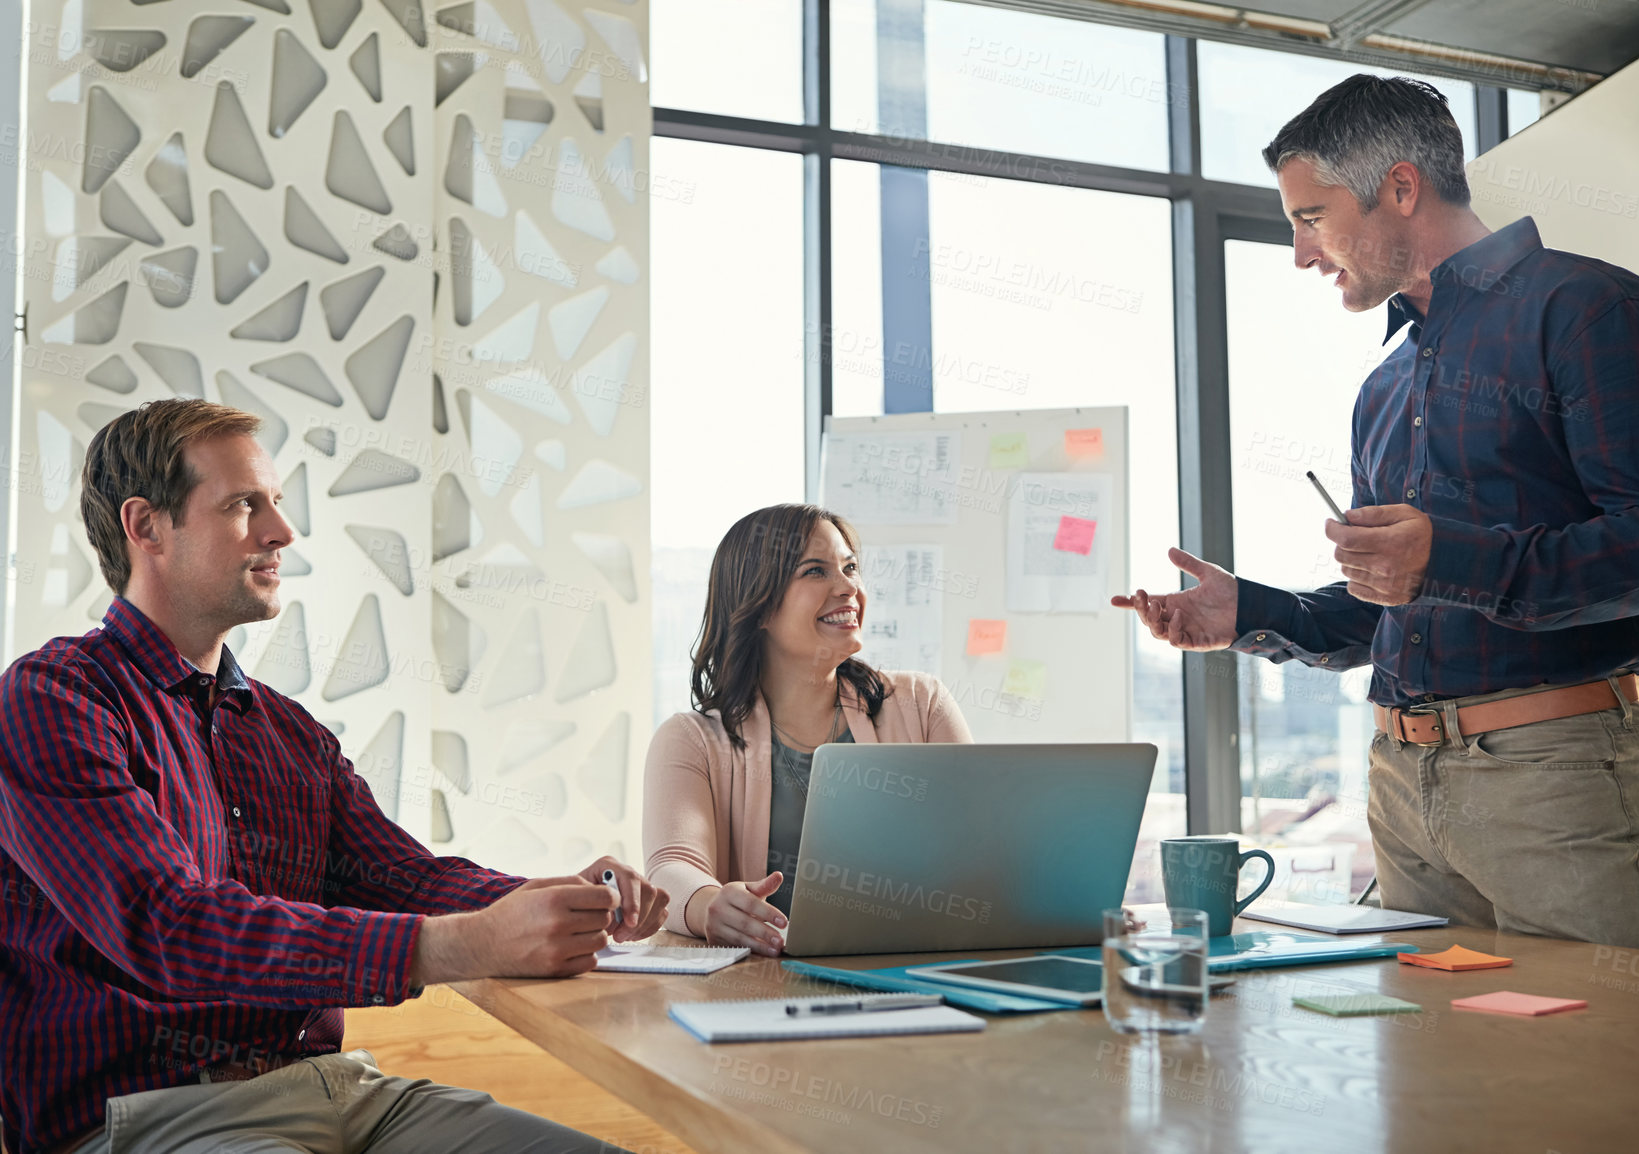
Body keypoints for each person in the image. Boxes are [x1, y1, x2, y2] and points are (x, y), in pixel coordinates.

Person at [1116, 75, 1639, 952]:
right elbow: (1388, 611)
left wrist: (1450, 559)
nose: (1299, 252)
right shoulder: (1385, 386)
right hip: (1399, 785)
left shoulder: (1591, 312)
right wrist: (1249, 613)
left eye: (1309, 216)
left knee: (1593, 1078)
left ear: (1400, 188)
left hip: (1550, 775)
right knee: (1434, 1085)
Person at [0, 399, 671, 1154]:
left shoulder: (289, 732)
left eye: (276, 503)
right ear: (147, 527)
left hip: (341, 1091)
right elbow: (166, 926)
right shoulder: (54, 698)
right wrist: (457, 946)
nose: (281, 531)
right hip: (148, 1120)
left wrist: (562, 900)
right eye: (242, 505)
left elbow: (405, 879)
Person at [644, 504, 972, 955]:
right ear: (757, 603)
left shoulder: (922, 704)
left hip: (917, 966)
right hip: (763, 987)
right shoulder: (692, 740)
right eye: (816, 571)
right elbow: (672, 865)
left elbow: (980, 849)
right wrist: (708, 904)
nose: (848, 587)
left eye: (850, 567)